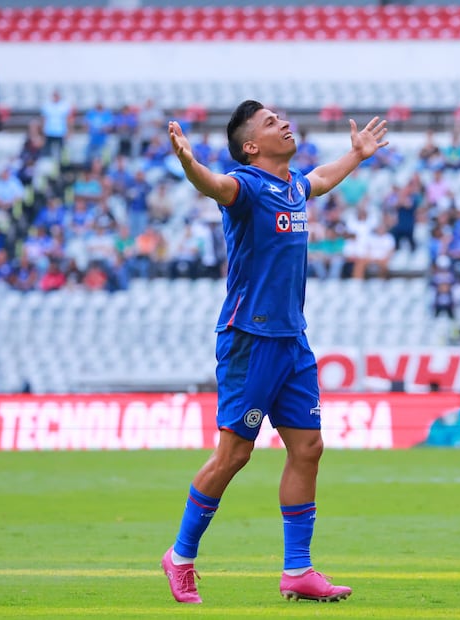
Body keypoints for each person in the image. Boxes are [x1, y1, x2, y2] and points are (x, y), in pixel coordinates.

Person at [163, 100, 388, 604]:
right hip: (249, 339)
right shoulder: (244, 185)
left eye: (280, 117)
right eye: (270, 122)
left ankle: (297, 571)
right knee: (234, 455)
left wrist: (357, 156)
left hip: (292, 339)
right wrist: (188, 162)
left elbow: (322, 178)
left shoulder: (292, 187)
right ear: (250, 146)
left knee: (308, 448)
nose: (283, 123)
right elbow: (213, 186)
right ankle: (179, 557)